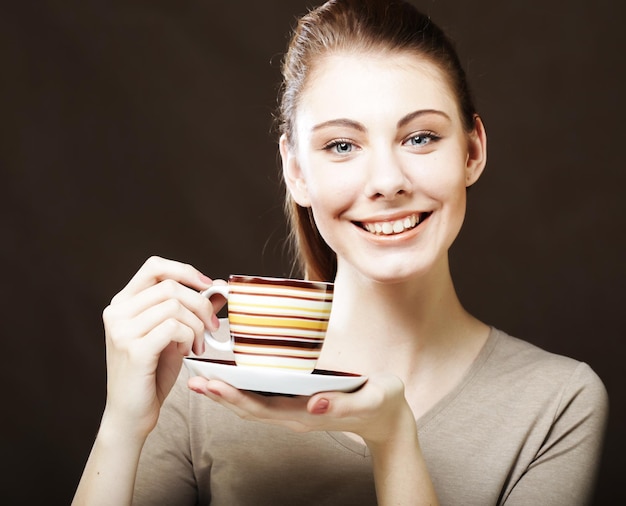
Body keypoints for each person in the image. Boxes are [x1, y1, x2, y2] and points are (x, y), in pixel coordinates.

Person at [72, 0, 609, 504]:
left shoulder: (558, 402)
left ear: (472, 152)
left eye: (421, 137)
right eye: (342, 146)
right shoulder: (199, 377)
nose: (387, 181)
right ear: (296, 171)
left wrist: (393, 439)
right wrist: (122, 423)